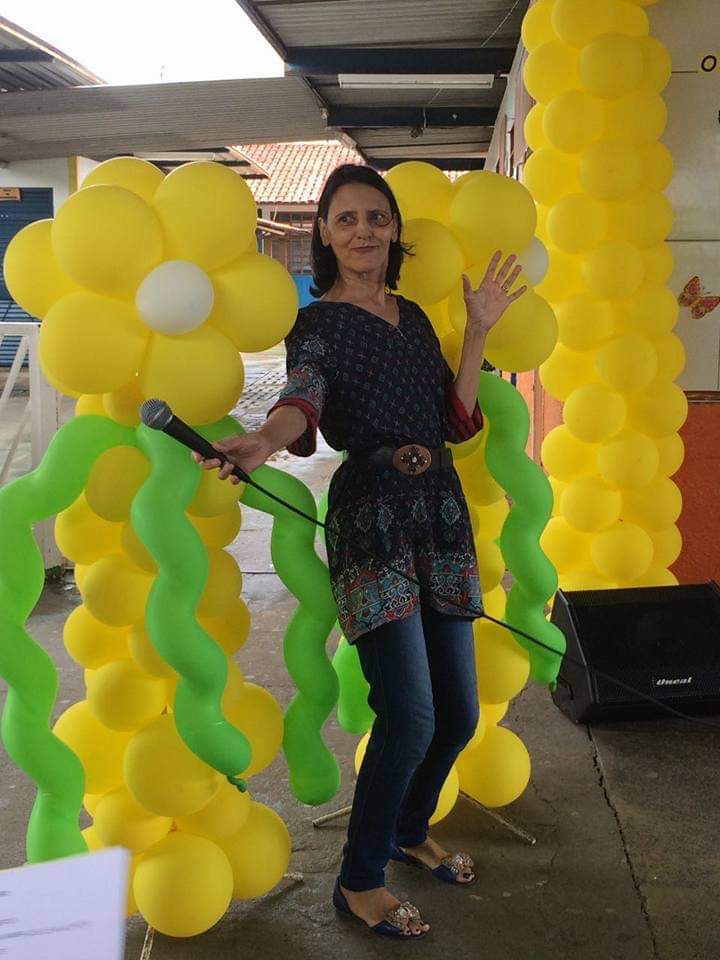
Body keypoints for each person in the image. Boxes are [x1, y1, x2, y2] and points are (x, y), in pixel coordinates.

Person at [195, 164, 526, 940]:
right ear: (323, 233)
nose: (363, 231)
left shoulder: (414, 318)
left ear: (394, 229)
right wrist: (264, 439)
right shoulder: (317, 325)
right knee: (408, 715)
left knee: (457, 714)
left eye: (376, 217)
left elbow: (455, 420)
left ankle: (409, 830)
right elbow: (303, 396)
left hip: (440, 513)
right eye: (346, 219)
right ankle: (359, 879)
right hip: (371, 521)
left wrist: (479, 329)